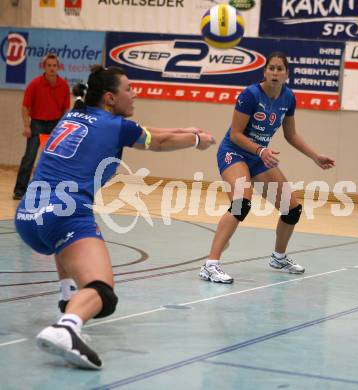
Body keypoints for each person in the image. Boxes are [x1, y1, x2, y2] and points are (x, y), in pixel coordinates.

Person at [14, 65, 215, 369]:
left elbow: (145, 133)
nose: (135, 94)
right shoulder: (116, 126)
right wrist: (197, 141)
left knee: (65, 245)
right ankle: (66, 327)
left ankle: (68, 300)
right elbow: (155, 141)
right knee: (103, 292)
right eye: (129, 89)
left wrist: (186, 131)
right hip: (65, 213)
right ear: (110, 97)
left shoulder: (74, 115)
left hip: (28, 215)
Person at [199, 52, 335, 284]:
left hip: (258, 155)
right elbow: (236, 134)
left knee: (291, 209)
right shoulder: (250, 95)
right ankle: (210, 265)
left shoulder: (288, 97)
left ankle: (278, 257)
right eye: (270, 68)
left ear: (286, 74)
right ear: (264, 72)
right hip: (234, 151)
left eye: (279, 69)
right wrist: (261, 150)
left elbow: (291, 135)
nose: (274, 73)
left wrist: (315, 156)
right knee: (242, 203)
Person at [13, 53, 70, 200]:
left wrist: (62, 127)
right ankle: (20, 190)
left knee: (55, 159)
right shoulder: (34, 84)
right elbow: (25, 107)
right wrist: (27, 126)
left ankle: (52, 190)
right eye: (49, 65)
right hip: (37, 123)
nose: (52, 68)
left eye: (54, 65)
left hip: (55, 125)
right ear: (44, 67)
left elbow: (65, 109)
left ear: (58, 67)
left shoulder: (63, 85)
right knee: (29, 157)